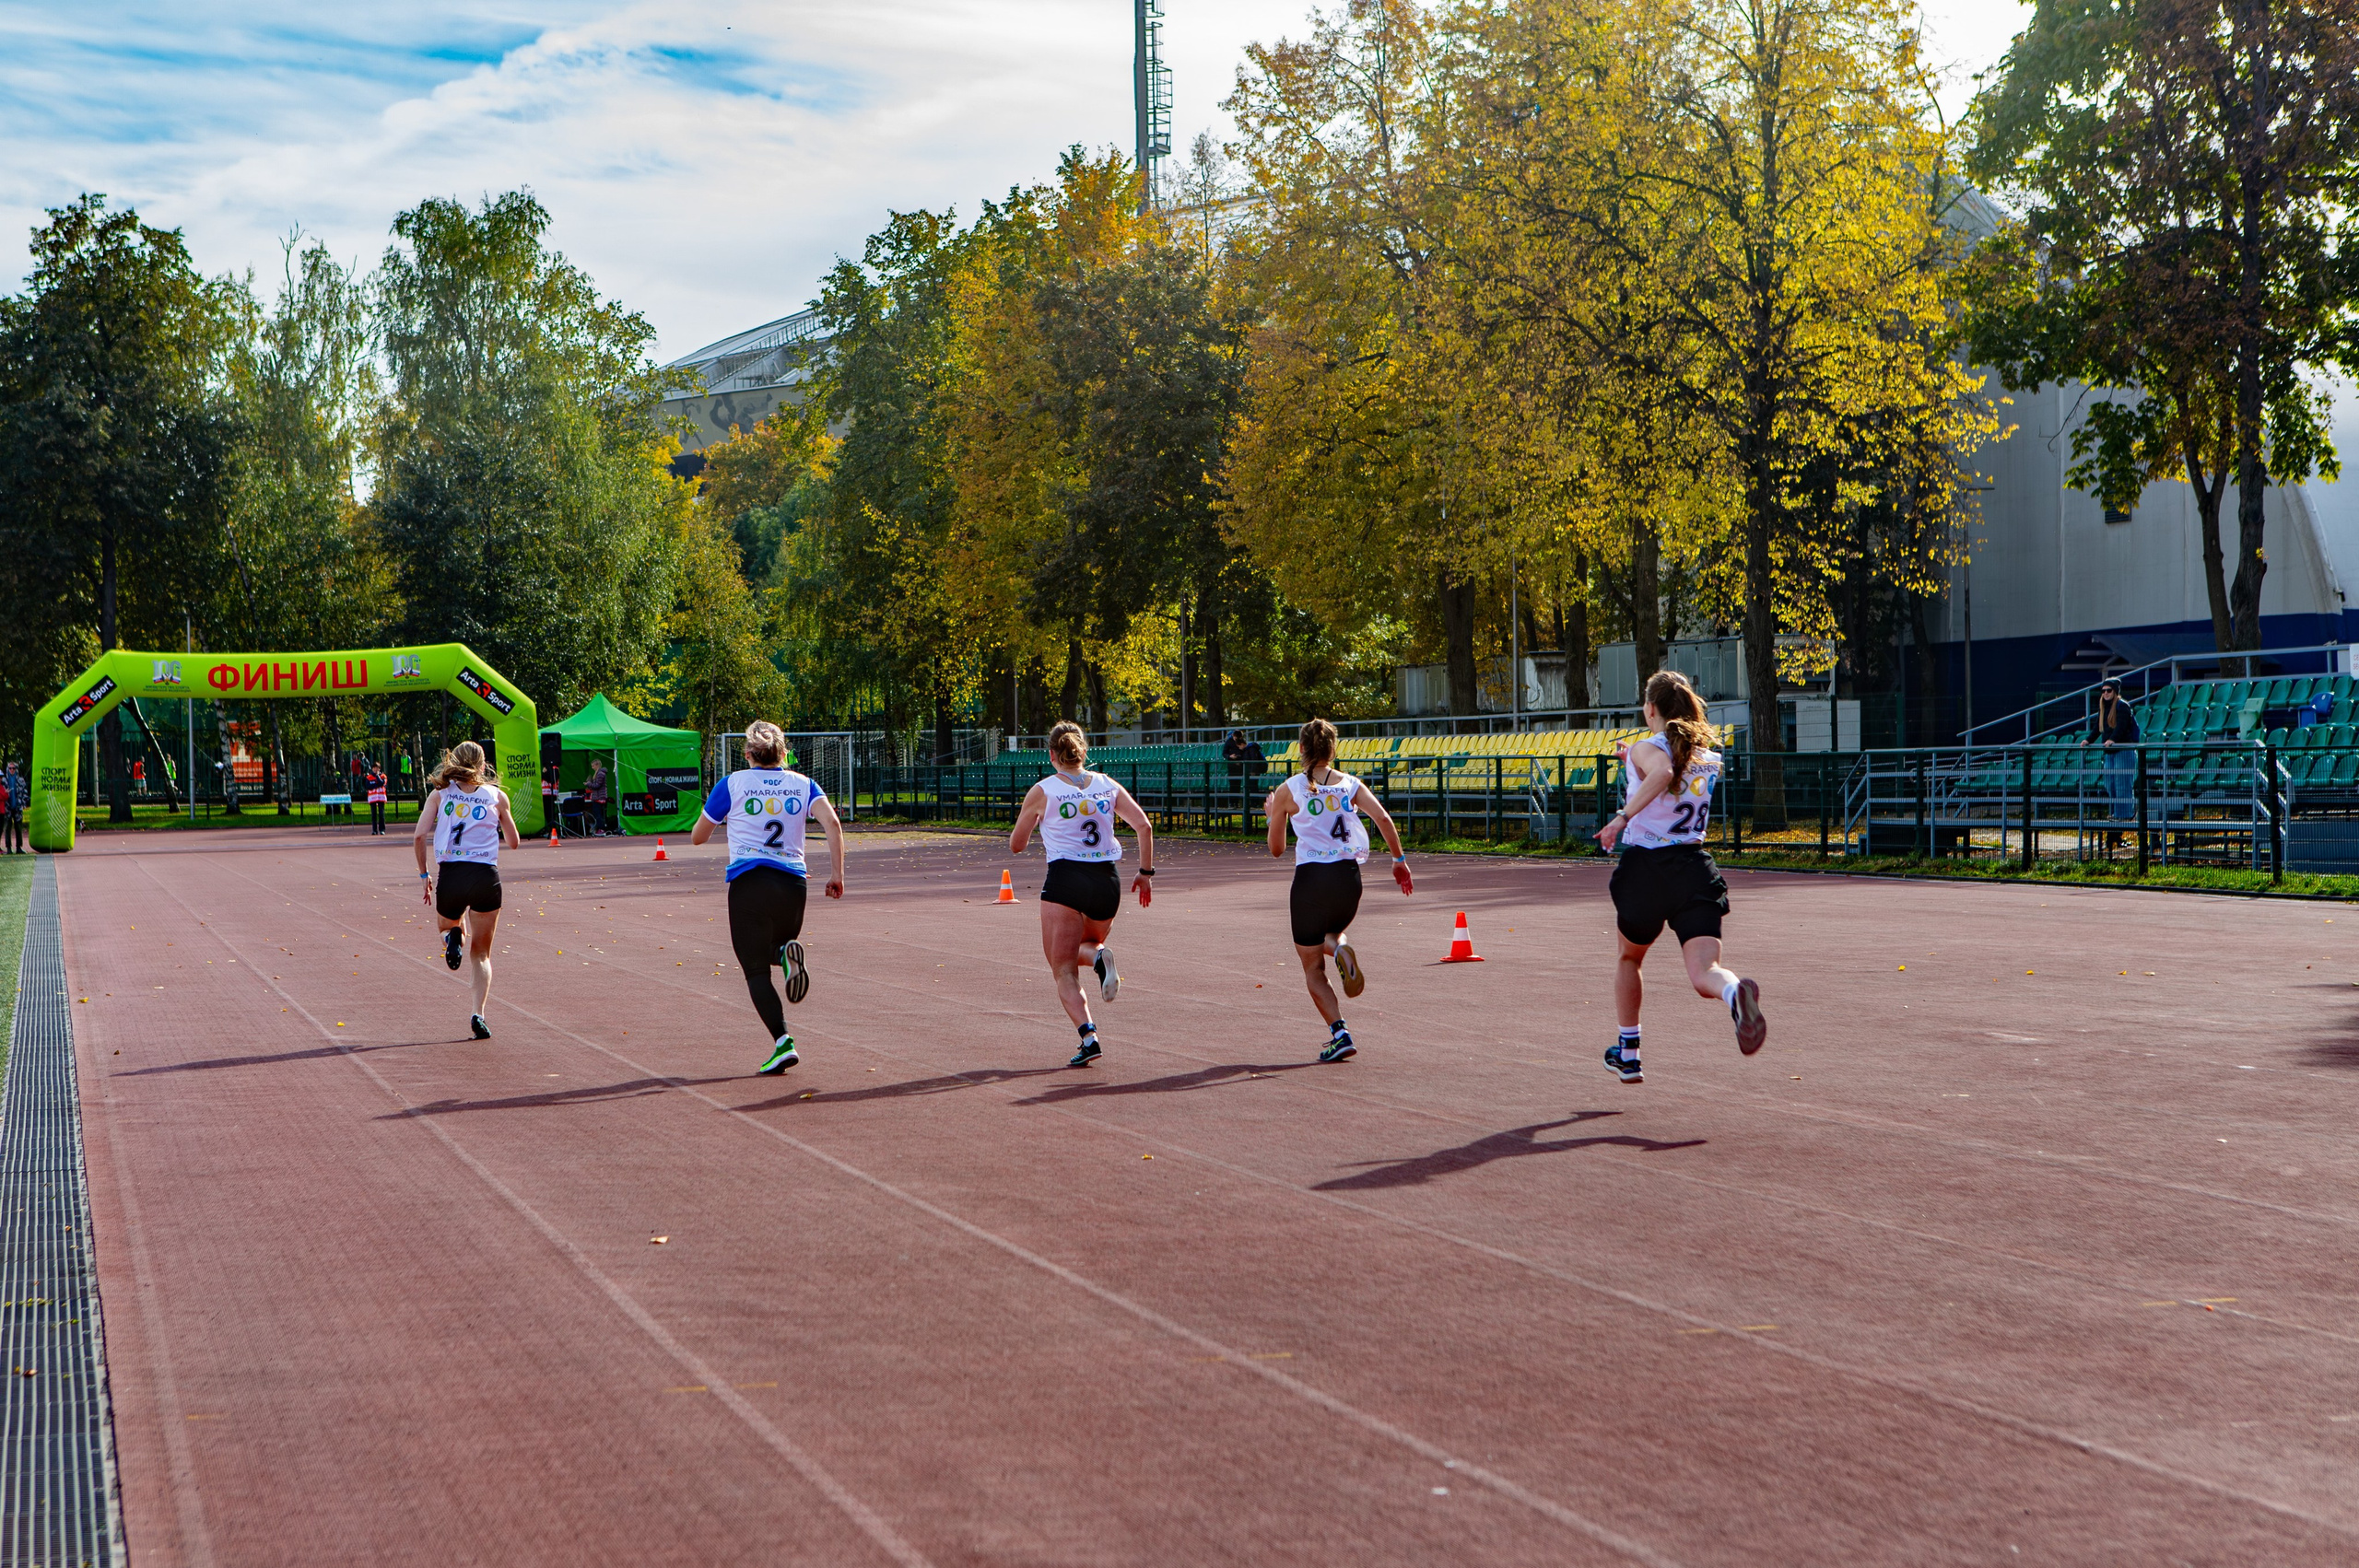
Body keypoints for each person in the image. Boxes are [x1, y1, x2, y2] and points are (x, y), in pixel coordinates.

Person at [1593, 670, 1766, 1082]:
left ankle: (1629, 1053)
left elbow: (1663, 774)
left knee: (1630, 956)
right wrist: (1632, 766)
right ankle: (1732, 993)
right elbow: (1670, 778)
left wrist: (1620, 817)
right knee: (1705, 971)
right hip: (1693, 869)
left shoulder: (1647, 749)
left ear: (1650, 710)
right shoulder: (1706, 754)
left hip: (1648, 871)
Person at [689, 720, 845, 1074]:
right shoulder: (804, 784)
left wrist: (722, 815)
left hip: (750, 884)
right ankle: (787, 958)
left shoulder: (732, 784)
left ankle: (783, 1041)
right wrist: (836, 875)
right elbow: (832, 824)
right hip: (794, 885)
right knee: (774, 947)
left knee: (754, 967)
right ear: (784, 753)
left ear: (747, 755)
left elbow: (699, 837)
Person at [1007, 721, 1155, 1066]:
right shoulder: (1106, 784)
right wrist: (1146, 873)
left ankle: (1089, 1037)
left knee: (1062, 969)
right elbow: (1144, 826)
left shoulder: (1044, 790)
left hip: (1066, 879)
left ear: (1052, 755)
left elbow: (1017, 844)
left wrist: (1037, 823)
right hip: (1107, 880)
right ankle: (1101, 958)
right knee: (1080, 950)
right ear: (1082, 750)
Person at [1264, 717, 1412, 1062]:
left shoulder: (1289, 789)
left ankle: (1340, 1033)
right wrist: (1398, 860)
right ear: (1333, 750)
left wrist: (1274, 815)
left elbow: (1276, 849)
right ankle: (1342, 947)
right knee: (1331, 934)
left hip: (1311, 880)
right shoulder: (1351, 785)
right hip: (1349, 878)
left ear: (1302, 749)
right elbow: (1384, 820)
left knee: (1312, 965)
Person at [413, 741, 522, 1041]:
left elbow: (420, 835)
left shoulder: (439, 794)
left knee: (446, 927)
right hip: (486, 876)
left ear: (455, 761)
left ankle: (453, 937)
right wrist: (502, 815)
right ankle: (478, 1014)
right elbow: (513, 842)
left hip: (451, 874)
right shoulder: (497, 796)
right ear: (483, 765)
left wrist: (424, 874)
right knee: (482, 954)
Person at [2086, 677, 2141, 849]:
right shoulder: (2103, 708)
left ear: (2115, 691)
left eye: (2108, 690)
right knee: (2110, 785)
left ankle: (2123, 822)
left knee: (2122, 785)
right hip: (2109, 753)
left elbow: (2122, 727)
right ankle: (2115, 833)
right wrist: (2088, 740)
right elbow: (2098, 727)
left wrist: (2113, 740)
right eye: (2103, 691)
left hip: (2123, 752)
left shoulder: (2123, 706)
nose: (2105, 693)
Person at [584, 759, 611, 835]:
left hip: (599, 797)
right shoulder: (598, 774)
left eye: (593, 766)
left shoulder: (600, 774)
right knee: (597, 814)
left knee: (598, 814)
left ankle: (602, 829)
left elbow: (597, 786)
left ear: (597, 765)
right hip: (597, 797)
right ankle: (600, 828)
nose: (592, 767)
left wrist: (588, 784)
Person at [1, 762, 22, 853]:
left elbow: (24, 793)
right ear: (7, 769)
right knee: (8, 828)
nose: (12, 770)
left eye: (13, 768)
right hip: (7, 808)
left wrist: (22, 803)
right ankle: (8, 848)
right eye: (10, 768)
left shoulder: (21, 780)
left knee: (18, 828)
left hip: (17, 808)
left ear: (16, 769)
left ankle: (19, 848)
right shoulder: (4, 781)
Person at [366, 765, 389, 836]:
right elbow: (368, 786)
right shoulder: (369, 777)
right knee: (373, 814)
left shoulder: (383, 776)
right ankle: (374, 830)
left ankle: (382, 829)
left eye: (377, 768)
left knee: (381, 814)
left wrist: (377, 777)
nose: (375, 770)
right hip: (373, 798)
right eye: (374, 768)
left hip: (381, 797)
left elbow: (382, 783)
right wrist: (377, 785)